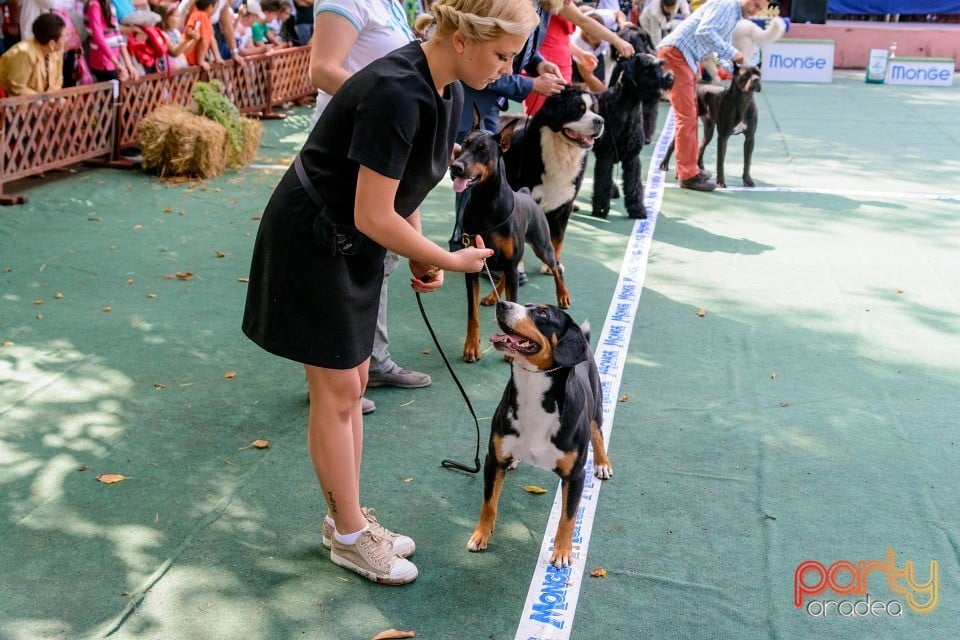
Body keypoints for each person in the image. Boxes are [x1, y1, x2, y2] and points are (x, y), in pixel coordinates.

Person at [242, 0, 535, 585]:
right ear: (462, 39)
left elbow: (404, 188)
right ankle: (349, 533)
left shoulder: (444, 89)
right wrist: (444, 259)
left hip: (348, 237)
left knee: (349, 385)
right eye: (502, 55)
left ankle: (345, 521)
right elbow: (373, 211)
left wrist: (418, 251)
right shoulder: (397, 91)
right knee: (338, 391)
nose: (507, 69)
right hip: (314, 237)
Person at [309, 0, 431, 413]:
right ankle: (331, 375)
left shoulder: (392, 3)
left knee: (378, 257)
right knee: (343, 261)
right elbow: (323, 68)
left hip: (376, 147)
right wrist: (385, 110)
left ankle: (370, 361)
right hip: (344, 151)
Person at [657, 0, 767, 192]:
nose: (757, 11)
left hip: (686, 58)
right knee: (687, 117)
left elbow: (717, 47)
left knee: (690, 117)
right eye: (756, 5)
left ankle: (689, 168)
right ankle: (688, 175)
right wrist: (732, 52)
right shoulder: (726, 5)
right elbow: (705, 31)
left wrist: (738, 70)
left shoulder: (733, 14)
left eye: (761, 8)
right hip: (677, 55)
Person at [522, 0, 633, 116]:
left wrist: (580, 54)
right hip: (544, 65)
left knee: (562, 116)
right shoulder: (555, 3)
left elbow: (561, 38)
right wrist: (616, 40)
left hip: (563, 66)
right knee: (539, 116)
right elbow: (583, 21)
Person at [0, 11, 65, 95]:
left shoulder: (56, 50)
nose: (66, 39)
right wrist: (44, 100)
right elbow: (17, 88)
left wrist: (51, 99)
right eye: (63, 36)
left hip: (38, 101)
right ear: (51, 43)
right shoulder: (24, 53)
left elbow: (57, 82)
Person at [84, 0, 140, 81]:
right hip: (102, 61)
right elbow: (98, 38)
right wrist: (117, 63)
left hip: (113, 61)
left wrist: (129, 64)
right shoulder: (93, 5)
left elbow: (118, 36)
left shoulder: (111, 6)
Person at [156, 1, 198, 70]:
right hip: (170, 73)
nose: (179, 19)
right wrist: (187, 39)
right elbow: (174, 53)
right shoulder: (162, 34)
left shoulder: (176, 32)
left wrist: (194, 40)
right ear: (165, 18)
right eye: (176, 16)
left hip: (181, 71)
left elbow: (184, 50)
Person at [184, 0, 217, 69]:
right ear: (210, 7)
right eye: (216, 6)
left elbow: (210, 38)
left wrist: (217, 57)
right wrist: (201, 60)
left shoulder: (197, 13)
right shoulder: (203, 16)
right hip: (191, 57)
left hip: (186, 54)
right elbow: (202, 39)